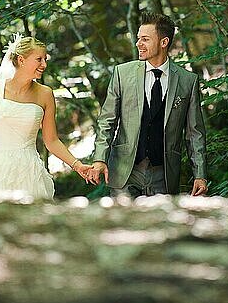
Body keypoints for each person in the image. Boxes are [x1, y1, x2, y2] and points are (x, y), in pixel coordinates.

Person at [88, 12, 208, 196]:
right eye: (138, 39)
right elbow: (107, 121)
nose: (138, 44)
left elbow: (195, 133)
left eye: (145, 39)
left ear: (163, 42)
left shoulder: (187, 81)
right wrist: (100, 159)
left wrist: (200, 174)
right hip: (125, 172)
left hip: (164, 174)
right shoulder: (122, 73)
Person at [0, 35, 91, 200]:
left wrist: (77, 165)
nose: (44, 65)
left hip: (28, 171)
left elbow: (51, 141)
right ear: (21, 60)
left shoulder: (45, 94)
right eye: (39, 59)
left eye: (45, 59)